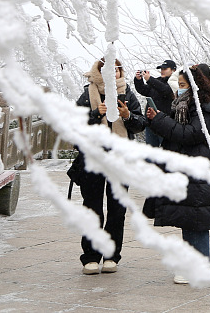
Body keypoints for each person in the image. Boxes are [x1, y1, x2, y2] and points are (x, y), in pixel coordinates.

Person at [144, 64, 210, 285]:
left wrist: (161, 120)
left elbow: (191, 134)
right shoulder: (185, 106)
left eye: (182, 85)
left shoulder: (204, 109)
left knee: (197, 220)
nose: (179, 89)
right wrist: (157, 119)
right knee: (188, 218)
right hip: (185, 170)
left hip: (197, 171)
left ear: (194, 86)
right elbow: (176, 132)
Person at [74, 58, 145, 275]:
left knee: (117, 209)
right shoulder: (88, 94)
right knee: (92, 208)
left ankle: (112, 256)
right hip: (94, 159)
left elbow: (141, 123)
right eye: (107, 69)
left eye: (117, 69)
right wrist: (96, 115)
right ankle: (91, 257)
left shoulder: (127, 93)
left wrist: (128, 116)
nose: (113, 73)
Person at [133, 59, 176, 147]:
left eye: (165, 69)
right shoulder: (157, 81)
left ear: (173, 70)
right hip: (151, 123)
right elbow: (144, 90)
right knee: (151, 153)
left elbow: (165, 90)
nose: (162, 71)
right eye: (161, 69)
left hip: (165, 123)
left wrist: (149, 79)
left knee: (167, 150)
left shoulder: (175, 83)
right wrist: (138, 80)